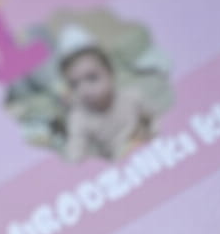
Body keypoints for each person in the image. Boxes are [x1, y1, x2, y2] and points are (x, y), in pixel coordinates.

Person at [57, 26, 153, 161]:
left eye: (92, 78)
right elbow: (75, 153)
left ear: (110, 72)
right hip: (122, 163)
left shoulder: (132, 96)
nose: (84, 90)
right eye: (74, 85)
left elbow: (156, 121)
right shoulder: (79, 118)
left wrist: (150, 132)